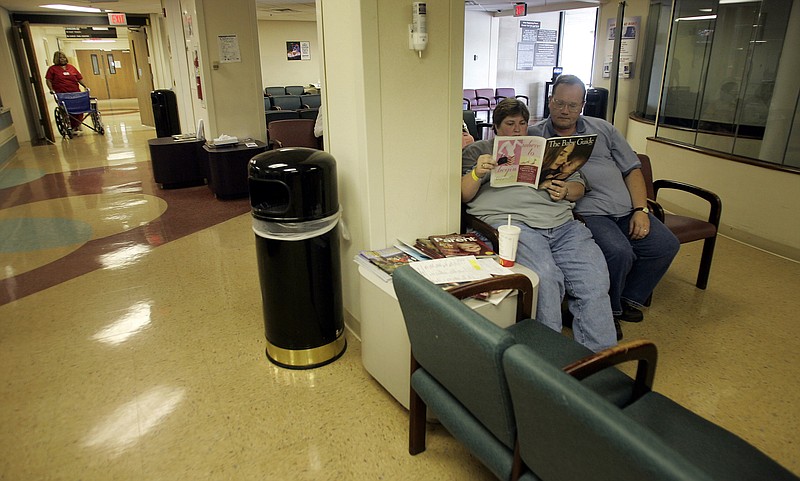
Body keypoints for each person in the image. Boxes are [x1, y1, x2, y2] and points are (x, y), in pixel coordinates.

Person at [461, 97, 617, 352]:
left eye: (522, 123)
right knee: (546, 276)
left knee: (595, 279)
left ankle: (600, 359)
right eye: (510, 124)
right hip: (514, 223)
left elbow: (579, 187)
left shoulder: (546, 149)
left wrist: (567, 189)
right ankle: (548, 356)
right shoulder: (478, 150)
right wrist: (478, 173)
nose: (517, 129)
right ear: (497, 127)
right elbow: (464, 195)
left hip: (563, 224)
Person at [528, 74, 679, 332]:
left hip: (625, 208)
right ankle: (608, 312)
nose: (565, 110)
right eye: (559, 103)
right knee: (618, 251)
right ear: (550, 101)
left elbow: (632, 169)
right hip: (587, 212)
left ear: (582, 105)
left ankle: (625, 299)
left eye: (573, 105)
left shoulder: (604, 129)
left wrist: (640, 210)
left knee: (665, 245)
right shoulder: (534, 135)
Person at [45, 51, 88, 132]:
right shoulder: (52, 69)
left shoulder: (71, 67)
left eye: (64, 57)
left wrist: (85, 86)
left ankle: (78, 124)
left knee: (79, 109)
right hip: (62, 93)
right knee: (67, 110)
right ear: (56, 59)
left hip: (75, 92)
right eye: (60, 58)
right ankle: (71, 126)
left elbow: (79, 78)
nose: (62, 59)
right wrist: (51, 89)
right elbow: (48, 80)